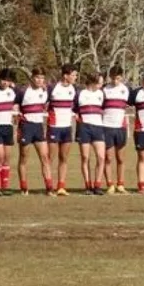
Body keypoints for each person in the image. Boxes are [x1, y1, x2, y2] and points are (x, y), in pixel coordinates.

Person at [16, 68, 54, 195]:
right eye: (37, 77)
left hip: (38, 127)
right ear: (32, 77)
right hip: (26, 126)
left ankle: (49, 188)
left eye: (42, 78)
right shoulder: (22, 91)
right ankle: (24, 187)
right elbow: (15, 106)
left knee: (45, 158)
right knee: (23, 158)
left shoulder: (45, 91)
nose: (40, 80)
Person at [47, 64, 79, 196]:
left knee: (64, 158)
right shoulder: (53, 88)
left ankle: (61, 186)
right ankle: (49, 187)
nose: (75, 77)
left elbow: (76, 106)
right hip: (54, 127)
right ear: (65, 76)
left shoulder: (74, 89)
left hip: (67, 127)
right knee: (51, 158)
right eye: (73, 75)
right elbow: (43, 102)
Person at [101, 66, 132, 194]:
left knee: (121, 158)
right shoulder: (104, 90)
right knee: (108, 158)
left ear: (121, 77)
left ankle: (120, 184)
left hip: (121, 127)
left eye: (118, 78)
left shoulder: (126, 90)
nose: (115, 81)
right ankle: (110, 184)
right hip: (107, 126)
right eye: (113, 78)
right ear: (110, 77)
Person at [76, 73, 108, 195]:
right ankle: (88, 185)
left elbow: (103, 108)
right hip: (84, 127)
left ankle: (97, 185)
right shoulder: (80, 93)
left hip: (98, 127)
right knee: (85, 157)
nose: (101, 85)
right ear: (93, 82)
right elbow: (74, 108)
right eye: (100, 82)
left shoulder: (101, 93)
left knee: (101, 157)